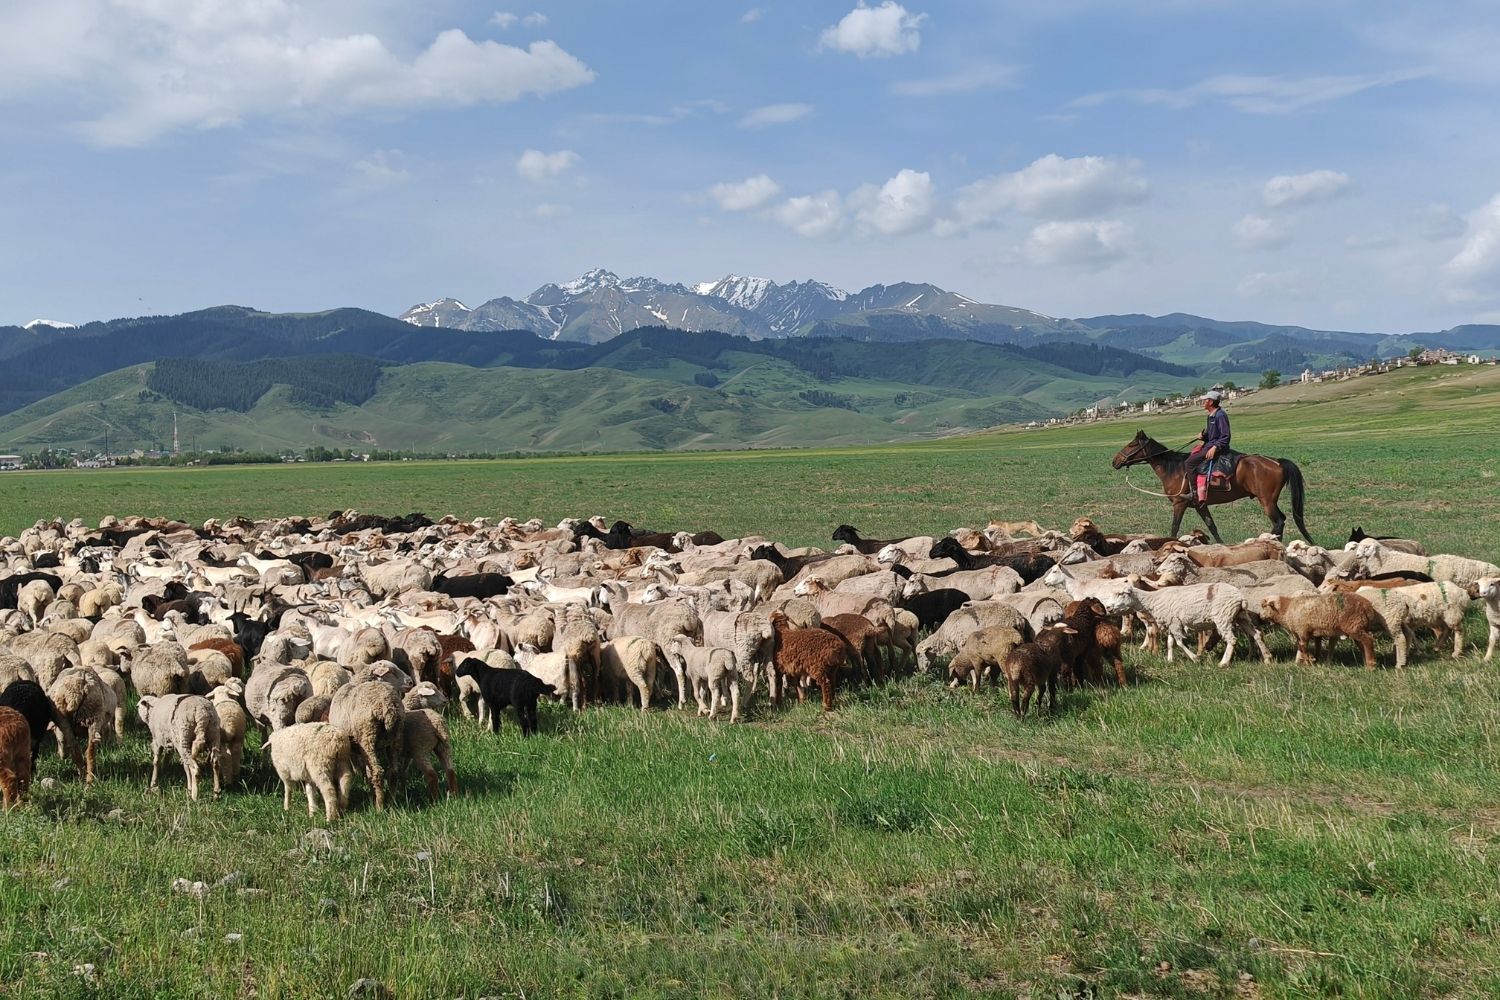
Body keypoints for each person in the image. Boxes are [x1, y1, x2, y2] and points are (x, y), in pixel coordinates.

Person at [1183, 389, 1230, 504]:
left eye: (1205, 400)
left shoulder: (1220, 415)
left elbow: (1225, 436)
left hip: (1217, 448)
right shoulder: (1211, 416)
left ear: (1211, 402)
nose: (1203, 402)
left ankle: (1194, 493)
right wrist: (1203, 436)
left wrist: (1215, 447)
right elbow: (1212, 435)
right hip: (1210, 445)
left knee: (1189, 463)